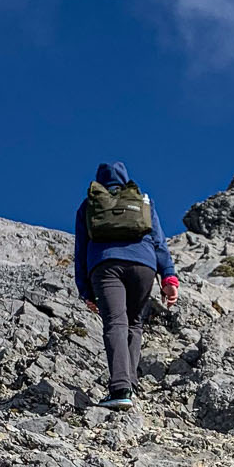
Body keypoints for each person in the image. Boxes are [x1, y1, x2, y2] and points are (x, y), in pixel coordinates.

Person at [73, 160, 178, 410]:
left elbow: (81, 250)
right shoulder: (143, 201)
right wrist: (168, 277)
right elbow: (159, 241)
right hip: (144, 266)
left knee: (115, 322)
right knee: (134, 323)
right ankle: (129, 383)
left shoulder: (89, 205)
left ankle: (120, 389)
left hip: (106, 265)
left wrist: (85, 290)